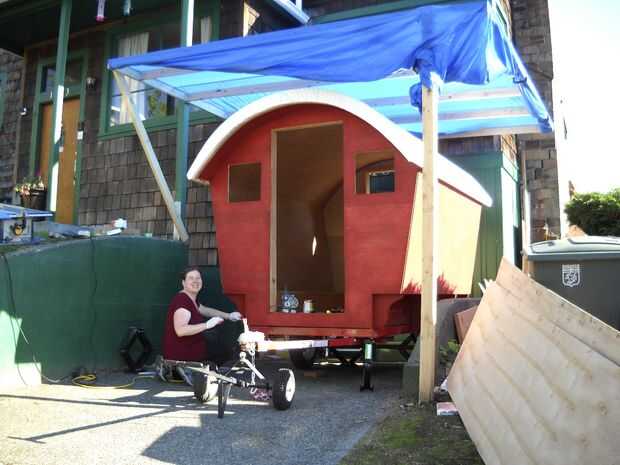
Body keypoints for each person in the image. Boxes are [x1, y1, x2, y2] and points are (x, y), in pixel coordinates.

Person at [162, 267, 242, 368]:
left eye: (198, 278)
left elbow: (204, 310)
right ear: (183, 282)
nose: (195, 281)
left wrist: (229, 316)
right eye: (191, 278)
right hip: (181, 363)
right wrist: (207, 325)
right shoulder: (182, 301)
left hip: (192, 358)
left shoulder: (191, 299)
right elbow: (180, 330)